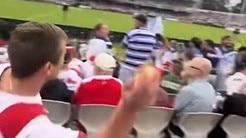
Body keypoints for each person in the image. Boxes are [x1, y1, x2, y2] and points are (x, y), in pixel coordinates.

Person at [0, 22, 160, 138]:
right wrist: (129, 109)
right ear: (48, 68)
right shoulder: (35, 128)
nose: (66, 60)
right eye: (63, 56)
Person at [170, 57, 216, 136]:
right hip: (200, 131)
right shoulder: (211, 89)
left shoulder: (188, 90)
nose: (186, 68)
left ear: (198, 72)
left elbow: (172, 110)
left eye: (190, 67)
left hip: (181, 130)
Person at [119, 14, 156, 83]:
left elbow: (123, 45)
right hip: (142, 69)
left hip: (128, 67)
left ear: (139, 22)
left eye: (135, 21)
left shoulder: (132, 33)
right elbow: (152, 52)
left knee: (123, 89)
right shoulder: (153, 36)